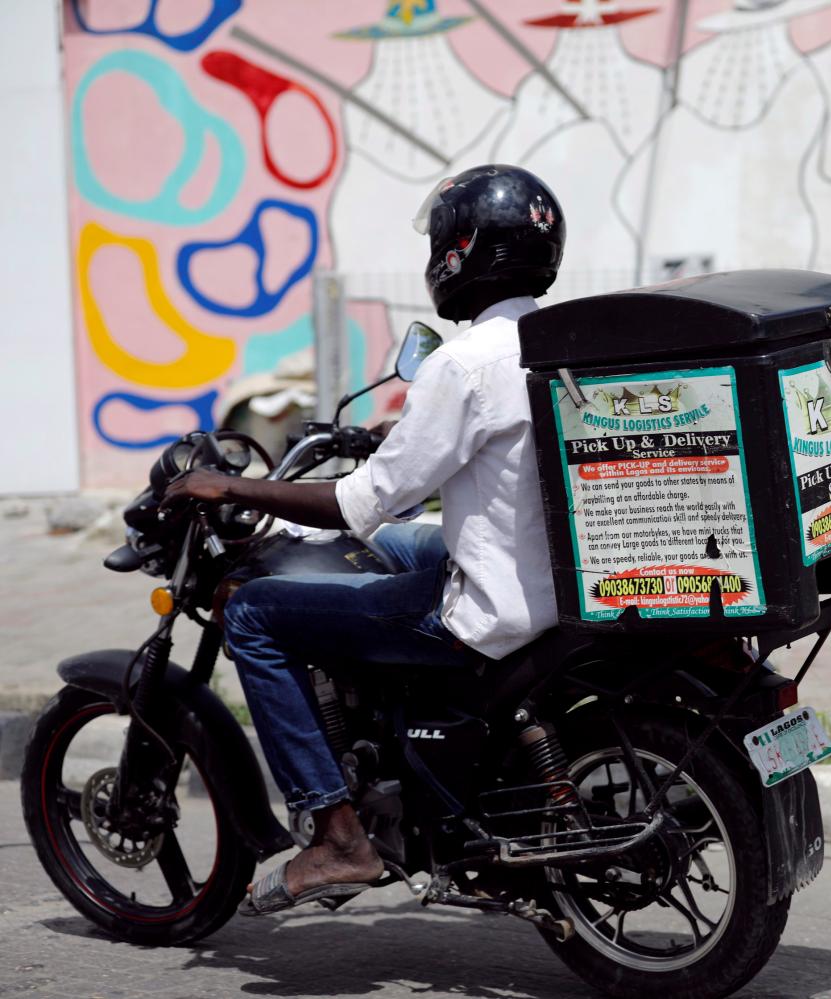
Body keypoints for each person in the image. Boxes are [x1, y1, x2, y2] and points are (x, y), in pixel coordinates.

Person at [163, 164, 564, 915]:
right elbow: (479, 461)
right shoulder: (553, 341)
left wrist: (233, 486)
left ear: (462, 251)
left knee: (254, 613)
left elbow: (358, 503)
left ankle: (337, 830)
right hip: (549, 578)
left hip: (490, 607)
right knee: (403, 541)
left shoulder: (463, 363)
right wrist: (399, 437)